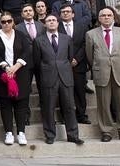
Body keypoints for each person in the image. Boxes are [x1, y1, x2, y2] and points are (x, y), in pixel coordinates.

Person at [85, 8, 120, 142]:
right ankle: (106, 130)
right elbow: (90, 55)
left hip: (119, 71)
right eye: (103, 15)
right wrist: (99, 64)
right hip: (101, 72)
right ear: (99, 18)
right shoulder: (91, 34)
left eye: (109, 15)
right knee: (103, 103)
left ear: (113, 17)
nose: (106, 17)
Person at [33, 14, 84, 145]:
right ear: (44, 24)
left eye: (53, 20)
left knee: (69, 107)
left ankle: (73, 135)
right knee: (48, 107)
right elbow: (37, 62)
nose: (51, 22)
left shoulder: (66, 39)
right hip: (48, 77)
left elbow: (69, 56)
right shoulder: (39, 40)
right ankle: (50, 134)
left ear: (57, 23)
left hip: (65, 77)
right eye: (48, 20)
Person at [0, 12, 32, 146]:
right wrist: (6, 67)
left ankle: (21, 132)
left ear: (13, 21)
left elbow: (27, 50)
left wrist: (17, 65)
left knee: (21, 104)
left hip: (20, 74)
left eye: (9, 21)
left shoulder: (21, 35)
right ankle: (8, 132)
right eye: (3, 22)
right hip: (3, 75)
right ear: (0, 23)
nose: (6, 24)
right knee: (6, 105)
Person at [57, 4, 90, 124]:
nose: (66, 13)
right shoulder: (57, 27)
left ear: (73, 14)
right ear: (60, 15)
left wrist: (77, 59)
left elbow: (85, 44)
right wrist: (65, 60)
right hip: (62, 64)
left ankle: (81, 115)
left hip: (78, 64)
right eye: (63, 12)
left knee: (80, 91)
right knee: (63, 92)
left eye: (68, 11)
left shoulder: (81, 26)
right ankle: (65, 117)